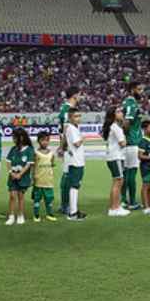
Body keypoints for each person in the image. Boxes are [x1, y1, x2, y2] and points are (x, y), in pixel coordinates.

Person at [57, 86, 84, 216]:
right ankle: (66, 205)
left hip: (68, 148)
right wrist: (63, 147)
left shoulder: (64, 108)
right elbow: (65, 129)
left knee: (67, 175)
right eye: (80, 95)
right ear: (74, 95)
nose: (81, 97)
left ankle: (65, 204)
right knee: (68, 176)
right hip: (70, 149)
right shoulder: (67, 109)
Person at [102, 107, 131, 217]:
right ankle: (114, 208)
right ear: (113, 115)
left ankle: (115, 206)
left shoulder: (113, 126)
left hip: (114, 157)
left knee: (117, 181)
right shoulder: (115, 127)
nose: (121, 113)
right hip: (116, 157)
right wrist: (125, 139)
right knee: (118, 182)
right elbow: (122, 143)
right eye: (118, 112)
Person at [121, 82, 145, 211]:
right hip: (131, 143)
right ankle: (131, 201)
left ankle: (123, 200)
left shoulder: (129, 102)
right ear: (132, 90)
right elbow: (126, 122)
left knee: (126, 173)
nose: (141, 92)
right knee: (131, 173)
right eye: (139, 89)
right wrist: (126, 136)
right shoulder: (131, 103)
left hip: (130, 143)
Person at [62, 108, 87, 221]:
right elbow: (76, 143)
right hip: (76, 161)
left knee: (75, 186)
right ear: (70, 117)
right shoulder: (71, 128)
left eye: (79, 116)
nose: (78, 118)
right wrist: (82, 139)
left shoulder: (72, 128)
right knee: (75, 186)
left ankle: (74, 210)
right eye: (76, 116)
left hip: (76, 160)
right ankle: (73, 212)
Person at [6, 128, 34, 225]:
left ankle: (20, 215)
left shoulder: (29, 150)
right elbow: (8, 162)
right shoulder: (13, 149)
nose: (13, 140)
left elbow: (28, 164)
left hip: (23, 178)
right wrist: (11, 173)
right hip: (12, 177)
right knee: (12, 196)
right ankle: (11, 216)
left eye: (14, 138)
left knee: (21, 196)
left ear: (21, 138)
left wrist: (20, 174)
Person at [31, 132, 57, 223]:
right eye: (43, 140)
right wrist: (32, 177)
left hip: (48, 180)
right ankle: (36, 215)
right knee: (37, 199)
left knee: (49, 198)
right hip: (38, 180)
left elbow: (52, 164)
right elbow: (33, 166)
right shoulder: (36, 153)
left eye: (47, 140)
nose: (45, 142)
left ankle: (49, 214)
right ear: (38, 141)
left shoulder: (51, 153)